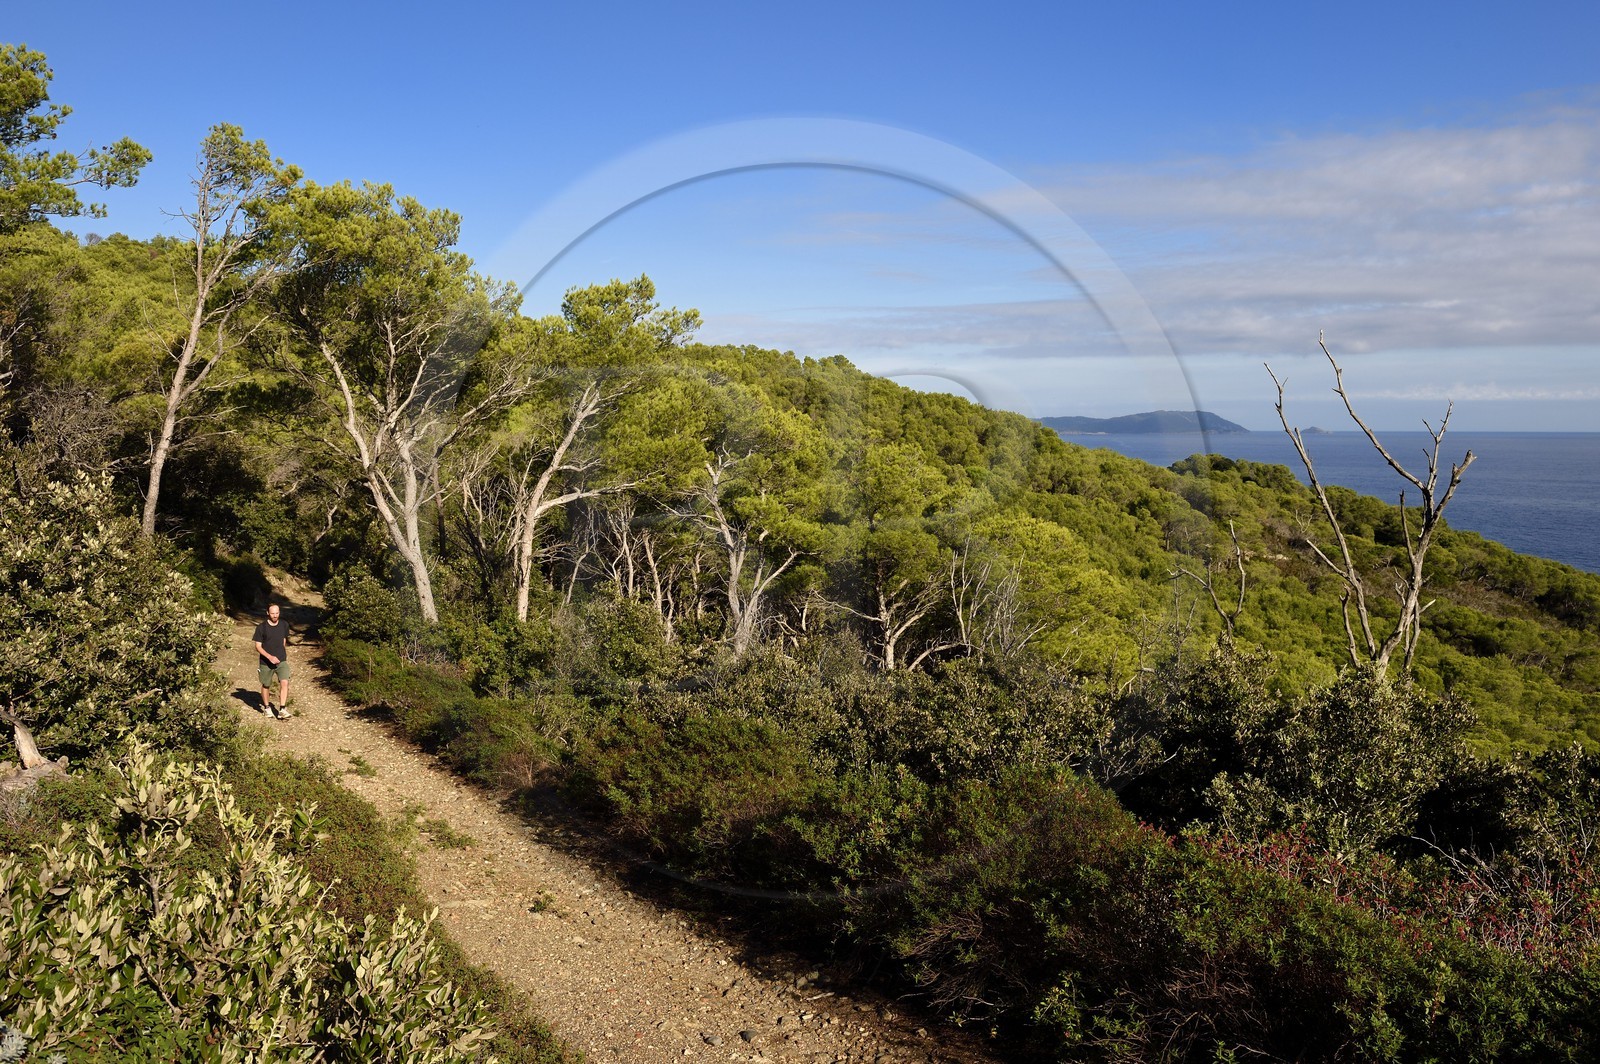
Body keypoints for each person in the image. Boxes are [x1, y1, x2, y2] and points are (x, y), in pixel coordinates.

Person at [252, 604, 292, 719]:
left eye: (277, 613)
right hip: (266, 662)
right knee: (266, 684)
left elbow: (283, 640)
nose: (275, 616)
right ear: (268, 613)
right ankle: (267, 707)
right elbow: (258, 646)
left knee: (285, 682)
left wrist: (281, 654)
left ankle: (282, 709)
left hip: (281, 660)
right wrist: (270, 657)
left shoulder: (284, 625)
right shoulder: (261, 627)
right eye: (273, 613)